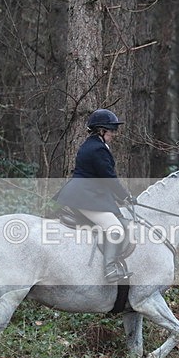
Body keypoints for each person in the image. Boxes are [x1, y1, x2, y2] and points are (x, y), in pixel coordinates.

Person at [54, 108, 134, 283]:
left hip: (88, 194)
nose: (114, 134)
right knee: (114, 228)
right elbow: (108, 178)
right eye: (111, 130)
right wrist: (126, 197)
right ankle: (110, 269)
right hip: (84, 197)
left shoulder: (92, 145)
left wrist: (119, 198)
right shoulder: (98, 149)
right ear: (101, 130)